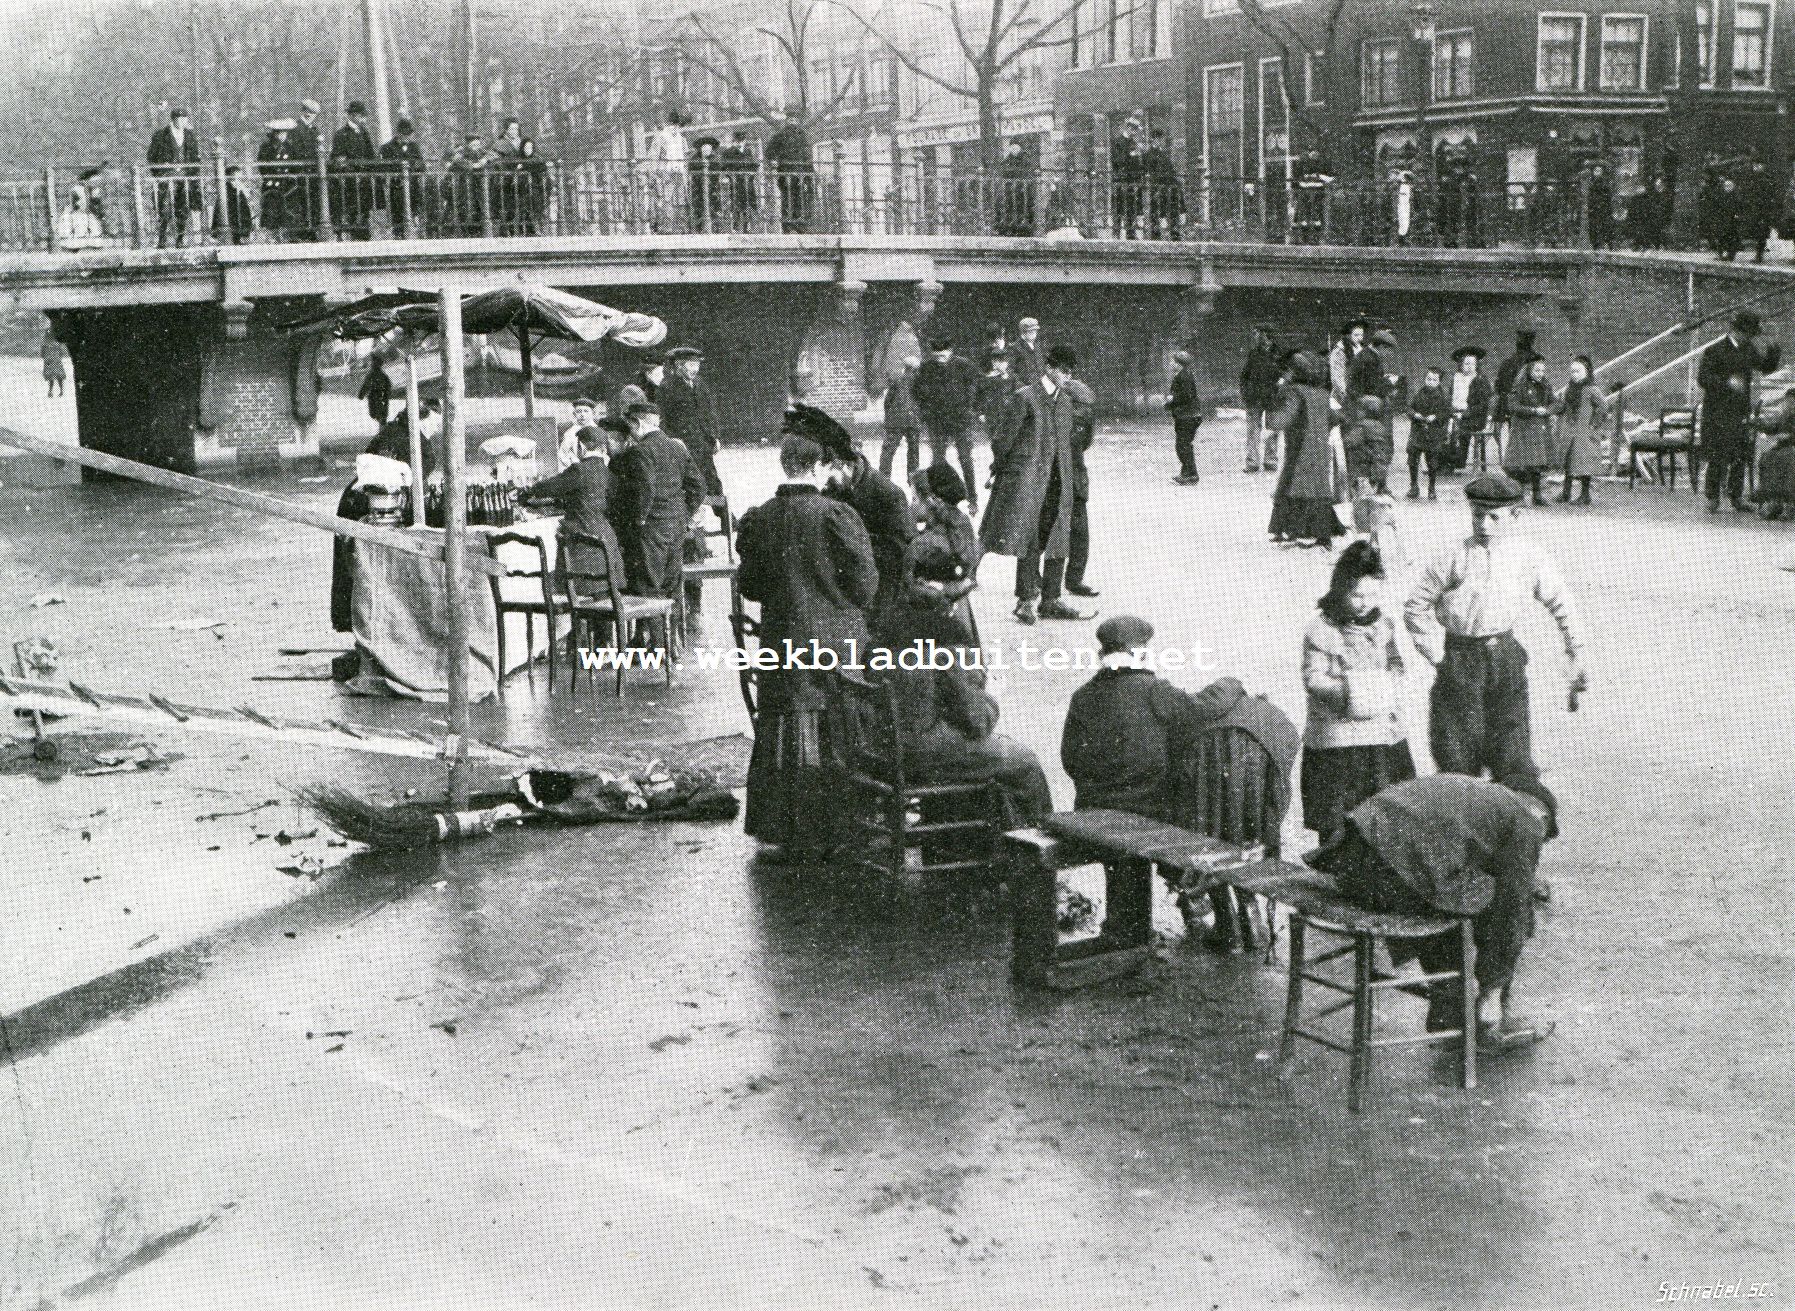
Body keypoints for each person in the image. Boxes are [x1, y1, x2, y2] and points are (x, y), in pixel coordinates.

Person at [1307, 771, 1561, 1050]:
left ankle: (1451, 1017)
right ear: (1543, 818)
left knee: (1459, 889)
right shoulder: (1526, 820)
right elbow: (1510, 909)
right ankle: (1481, 1018)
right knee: (1504, 902)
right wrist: (1495, 983)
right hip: (1390, 875)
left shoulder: (1475, 794)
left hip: (1351, 864)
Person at [738, 434, 880, 861]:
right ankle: (840, 824)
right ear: (818, 468)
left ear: (785, 466)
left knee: (785, 723)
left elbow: (752, 587)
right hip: (837, 642)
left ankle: (786, 829)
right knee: (838, 722)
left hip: (782, 639)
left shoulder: (760, 518)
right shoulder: (837, 514)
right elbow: (865, 585)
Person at [1404, 472, 1588, 782]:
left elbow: (1561, 602)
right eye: (1477, 516)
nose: (1484, 525)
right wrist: (1437, 655)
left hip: (1506, 657)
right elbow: (1415, 606)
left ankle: (1513, 812)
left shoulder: (1529, 557)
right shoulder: (1453, 556)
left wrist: (1577, 648)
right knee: (1458, 753)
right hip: (1459, 658)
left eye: (1494, 517)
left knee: (1512, 748)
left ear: (1515, 515)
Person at [871, 553, 1052, 829]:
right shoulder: (944, 636)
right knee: (1023, 762)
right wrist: (992, 697)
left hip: (878, 747)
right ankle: (1034, 858)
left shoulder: (888, 620)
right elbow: (975, 720)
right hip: (920, 753)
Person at [1060, 614, 1244, 823]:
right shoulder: (1153, 690)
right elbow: (1206, 706)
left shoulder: (1082, 695)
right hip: (1148, 810)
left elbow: (1070, 759)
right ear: (1141, 654)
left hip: (1091, 807)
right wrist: (1230, 683)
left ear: (1101, 653)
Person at [1300, 541, 1414, 844]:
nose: (1365, 603)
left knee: (1389, 819)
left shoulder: (1384, 625)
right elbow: (1314, 680)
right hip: (1339, 743)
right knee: (1339, 824)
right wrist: (1361, 692)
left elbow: (1396, 665)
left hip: (1382, 741)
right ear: (1340, 589)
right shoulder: (1321, 630)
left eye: (1373, 594)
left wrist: (1391, 681)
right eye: (1357, 595)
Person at [981, 344, 1091, 625]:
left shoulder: (1066, 402)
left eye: (1070, 372)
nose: (1067, 377)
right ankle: (1026, 600)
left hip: (1059, 480)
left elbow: (1072, 442)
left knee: (1058, 534)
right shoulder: (1026, 398)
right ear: (1049, 368)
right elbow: (1002, 441)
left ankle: (1051, 600)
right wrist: (1011, 469)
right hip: (1030, 481)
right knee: (1030, 537)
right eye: (1063, 371)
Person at [784, 403, 915, 622]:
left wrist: (854, 544)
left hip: (881, 596)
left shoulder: (888, 494)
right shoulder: (829, 492)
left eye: (827, 472)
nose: (823, 480)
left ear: (843, 465)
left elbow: (901, 553)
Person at [331, 401, 443, 632]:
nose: (437, 427)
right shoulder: (415, 442)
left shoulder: (392, 431)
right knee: (371, 565)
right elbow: (412, 487)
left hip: (358, 498)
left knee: (352, 565)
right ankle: (375, 625)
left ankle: (352, 620)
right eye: (435, 421)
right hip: (374, 505)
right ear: (421, 418)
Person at [608, 405, 706, 601]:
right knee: (671, 586)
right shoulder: (677, 447)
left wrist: (640, 519)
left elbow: (647, 488)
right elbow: (699, 486)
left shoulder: (641, 451)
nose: (631, 433)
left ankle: (651, 633)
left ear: (638, 423)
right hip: (677, 526)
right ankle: (673, 631)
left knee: (649, 587)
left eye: (630, 426)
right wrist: (685, 515)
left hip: (651, 528)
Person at [1698, 310, 1782, 513]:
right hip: (1717, 412)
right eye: (1748, 333)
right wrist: (1728, 382)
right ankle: (1712, 497)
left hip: (1739, 411)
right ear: (1738, 331)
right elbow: (1703, 379)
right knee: (1717, 456)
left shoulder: (1748, 349)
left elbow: (1766, 367)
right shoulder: (1714, 351)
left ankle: (1736, 497)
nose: (1750, 337)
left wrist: (1773, 348)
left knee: (1739, 454)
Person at [1266, 351, 1343, 550]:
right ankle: (1321, 533)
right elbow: (1334, 418)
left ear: (1295, 371)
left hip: (1300, 446)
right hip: (1320, 447)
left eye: (1288, 370)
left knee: (1295, 485)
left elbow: (1285, 418)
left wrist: (1271, 418)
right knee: (1317, 487)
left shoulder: (1294, 392)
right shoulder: (1322, 393)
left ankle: (1295, 530)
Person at [904, 462, 981, 632]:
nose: (911, 505)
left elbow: (908, 588)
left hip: (929, 624)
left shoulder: (922, 545)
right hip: (960, 618)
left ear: (931, 501)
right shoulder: (962, 525)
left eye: (915, 499)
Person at [517, 421, 618, 544]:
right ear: (603, 448)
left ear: (581, 446)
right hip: (606, 535)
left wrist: (528, 491)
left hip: (582, 535)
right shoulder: (609, 472)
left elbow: (549, 487)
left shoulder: (579, 469)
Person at [913, 338, 983, 512]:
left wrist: (970, 407)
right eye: (937, 357)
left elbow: (977, 386)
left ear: (950, 351)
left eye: (943, 356)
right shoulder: (926, 368)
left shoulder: (964, 365)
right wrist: (926, 412)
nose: (940, 360)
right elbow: (916, 391)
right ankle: (939, 499)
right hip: (937, 422)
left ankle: (972, 498)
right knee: (937, 460)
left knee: (966, 459)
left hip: (960, 420)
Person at [657, 346, 723, 497]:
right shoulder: (667, 387)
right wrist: (673, 443)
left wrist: (715, 437)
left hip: (704, 445)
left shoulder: (700, 384)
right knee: (689, 487)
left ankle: (727, 519)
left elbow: (710, 413)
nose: (696, 369)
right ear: (679, 365)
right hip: (683, 448)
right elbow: (663, 420)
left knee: (714, 484)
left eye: (697, 365)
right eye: (691, 365)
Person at [1503, 357, 1557, 506]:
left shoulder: (1545, 385)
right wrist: (1533, 410)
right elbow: (1513, 406)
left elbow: (1555, 403)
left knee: (1537, 464)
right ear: (1529, 370)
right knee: (1521, 464)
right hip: (1523, 428)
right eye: (1537, 370)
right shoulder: (1519, 386)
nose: (1540, 373)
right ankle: (1519, 497)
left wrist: (1547, 410)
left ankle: (1537, 495)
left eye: (1542, 370)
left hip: (1539, 430)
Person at [1555, 355, 1606, 506]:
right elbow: (1563, 406)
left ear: (1586, 372)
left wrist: (1594, 424)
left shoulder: (1592, 390)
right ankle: (1566, 492)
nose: (1574, 375)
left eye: (1578, 371)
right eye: (1572, 372)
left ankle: (1585, 495)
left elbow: (1603, 407)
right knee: (1569, 460)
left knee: (1584, 462)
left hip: (1585, 432)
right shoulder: (1569, 389)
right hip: (1570, 430)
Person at [147, 107, 200, 248]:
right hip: (167, 176)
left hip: (185, 177)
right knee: (165, 207)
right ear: (173, 119)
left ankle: (180, 239)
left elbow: (195, 157)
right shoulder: (160, 135)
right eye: (179, 119)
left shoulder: (190, 135)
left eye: (185, 119)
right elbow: (151, 157)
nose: (183, 121)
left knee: (184, 207)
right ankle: (162, 238)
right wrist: (160, 171)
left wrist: (193, 173)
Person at [330, 100, 378, 240]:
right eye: (361, 116)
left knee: (364, 211)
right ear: (352, 116)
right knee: (350, 210)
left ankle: (363, 236)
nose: (364, 119)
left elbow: (371, 155)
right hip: (348, 181)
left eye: (364, 116)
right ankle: (351, 235)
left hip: (364, 181)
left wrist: (371, 169)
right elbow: (337, 157)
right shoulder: (341, 134)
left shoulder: (364, 133)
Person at [1491, 327, 1540, 464]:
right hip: (1528, 403)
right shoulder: (1536, 361)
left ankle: (1512, 459)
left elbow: (1499, 386)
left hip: (1507, 404)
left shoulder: (1508, 362)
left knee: (1512, 433)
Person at [1239, 325, 1282, 473]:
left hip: (1273, 398)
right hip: (1254, 398)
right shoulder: (1253, 354)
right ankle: (1252, 462)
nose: (1255, 336)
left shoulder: (1279, 355)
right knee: (1252, 430)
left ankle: (1270, 461)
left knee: (1273, 429)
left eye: (1258, 333)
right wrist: (1245, 392)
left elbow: (1286, 376)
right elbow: (1244, 375)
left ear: (1266, 335)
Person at [764, 108, 814, 234]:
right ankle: (788, 224)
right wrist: (775, 160)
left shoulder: (802, 135)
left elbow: (807, 155)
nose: (793, 122)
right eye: (790, 120)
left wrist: (810, 172)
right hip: (786, 171)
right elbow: (769, 152)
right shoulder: (781, 135)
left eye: (794, 120)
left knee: (799, 197)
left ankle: (798, 224)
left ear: (797, 121)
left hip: (799, 172)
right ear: (787, 121)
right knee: (788, 197)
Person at [1445, 345, 1492, 473]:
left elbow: (1483, 405)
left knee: (1461, 430)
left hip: (1474, 416)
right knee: (1442, 426)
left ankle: (1458, 461)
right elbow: (1449, 398)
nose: (1469, 366)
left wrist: (1465, 414)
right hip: (1456, 414)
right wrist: (1451, 412)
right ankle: (1443, 463)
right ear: (1461, 364)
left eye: (1472, 363)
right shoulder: (1456, 378)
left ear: (1477, 365)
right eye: (1466, 363)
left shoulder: (1481, 380)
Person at [1407, 365, 1449, 499]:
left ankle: (1431, 487)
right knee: (1412, 458)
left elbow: (1446, 412)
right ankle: (1414, 485)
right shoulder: (1419, 393)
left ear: (1439, 382)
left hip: (1434, 432)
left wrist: (1435, 417)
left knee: (1432, 462)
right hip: (1418, 431)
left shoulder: (1443, 396)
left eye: (1434, 380)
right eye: (1428, 379)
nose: (1430, 382)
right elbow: (1409, 408)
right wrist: (1415, 415)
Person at [880, 355, 924, 483]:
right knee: (914, 451)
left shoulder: (896, 379)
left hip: (896, 420)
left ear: (905, 367)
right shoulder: (919, 382)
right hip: (913, 420)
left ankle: (884, 480)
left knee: (888, 452)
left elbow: (887, 401)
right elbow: (923, 401)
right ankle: (913, 480)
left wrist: (889, 414)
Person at [379, 117, 426, 236]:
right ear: (398, 133)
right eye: (405, 134)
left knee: (415, 213)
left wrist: (412, 166)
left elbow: (421, 165)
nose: (407, 137)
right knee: (398, 216)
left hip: (413, 187)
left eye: (409, 134)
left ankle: (417, 234)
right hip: (396, 187)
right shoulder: (387, 148)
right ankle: (398, 236)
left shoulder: (414, 146)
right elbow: (386, 167)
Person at [1752, 391, 1795, 520]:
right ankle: (1774, 500)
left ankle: (1789, 503)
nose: (1790, 404)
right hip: (1784, 447)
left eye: (1793, 402)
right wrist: (1759, 423)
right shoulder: (1785, 416)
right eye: (1788, 401)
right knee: (1768, 457)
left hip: (1791, 448)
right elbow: (1772, 428)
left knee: (1786, 458)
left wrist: (1790, 436)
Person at [257, 120, 301, 239]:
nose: (282, 136)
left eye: (284, 133)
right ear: (275, 133)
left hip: (288, 184)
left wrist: (293, 175)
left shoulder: (290, 146)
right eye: (279, 133)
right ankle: (272, 236)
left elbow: (296, 164)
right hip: (272, 183)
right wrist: (269, 178)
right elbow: (262, 165)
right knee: (271, 209)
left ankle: (288, 235)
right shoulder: (266, 146)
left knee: (289, 210)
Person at [1344, 394, 1393, 494]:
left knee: (1362, 497)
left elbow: (1349, 442)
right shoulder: (1380, 426)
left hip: (1363, 469)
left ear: (1365, 411)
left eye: (1360, 410)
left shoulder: (1362, 427)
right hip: (1378, 467)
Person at [1167, 350, 1203, 485]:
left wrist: (1172, 399)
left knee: (1182, 445)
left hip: (1187, 416)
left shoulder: (1184, 376)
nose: (1171, 363)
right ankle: (1189, 473)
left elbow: (1187, 396)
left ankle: (1189, 474)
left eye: (1173, 361)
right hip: (1188, 415)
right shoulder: (1183, 375)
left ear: (1179, 364)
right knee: (1184, 445)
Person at [1142, 127, 1181, 240]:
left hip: (1168, 187)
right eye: (1159, 139)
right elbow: (1148, 172)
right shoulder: (1148, 155)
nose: (1161, 141)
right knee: (1155, 212)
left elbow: (1170, 170)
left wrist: (1176, 183)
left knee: (1173, 209)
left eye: (1162, 139)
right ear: (1154, 139)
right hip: (1156, 188)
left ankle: (1175, 235)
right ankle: (1156, 236)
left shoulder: (1164, 154)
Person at [995, 139, 1036, 237]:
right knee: (1009, 210)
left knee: (1024, 211)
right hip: (1010, 192)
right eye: (1012, 147)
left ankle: (1025, 229)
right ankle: (1008, 228)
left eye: (1016, 147)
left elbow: (1029, 174)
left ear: (1020, 148)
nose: (1014, 150)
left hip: (1023, 192)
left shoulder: (1026, 159)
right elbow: (1002, 172)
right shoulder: (1006, 160)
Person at [1742, 160, 1779, 264]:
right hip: (1757, 210)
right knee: (1758, 233)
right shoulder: (1754, 178)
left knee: (1761, 233)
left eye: (1757, 165)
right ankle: (1758, 255)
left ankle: (1759, 255)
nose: (1755, 167)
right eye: (1754, 165)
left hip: (1763, 211)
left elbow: (1768, 196)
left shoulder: (1765, 179)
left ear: (1762, 166)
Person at [720, 130, 759, 230]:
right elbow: (724, 167)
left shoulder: (748, 151)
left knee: (748, 203)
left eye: (742, 141)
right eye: (738, 141)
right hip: (736, 182)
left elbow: (754, 165)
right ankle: (736, 225)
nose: (740, 143)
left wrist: (751, 174)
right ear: (735, 141)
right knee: (736, 202)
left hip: (748, 182)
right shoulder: (728, 152)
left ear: (744, 141)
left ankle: (747, 226)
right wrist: (730, 176)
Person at [1703, 175, 1743, 261]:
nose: (1727, 188)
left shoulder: (1736, 197)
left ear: (1733, 187)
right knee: (1721, 237)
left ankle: (1730, 255)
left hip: (1732, 220)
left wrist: (1737, 216)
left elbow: (1739, 208)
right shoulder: (1721, 196)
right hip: (1723, 220)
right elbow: (1717, 207)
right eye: (1726, 186)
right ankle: (1720, 254)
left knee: (1732, 238)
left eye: (1729, 186)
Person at [212, 166, 255, 245]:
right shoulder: (229, 192)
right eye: (236, 179)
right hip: (234, 229)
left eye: (240, 179)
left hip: (238, 229)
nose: (239, 182)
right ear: (229, 179)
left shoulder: (236, 191)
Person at [689, 136, 723, 231]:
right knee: (698, 208)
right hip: (698, 188)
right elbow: (692, 170)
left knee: (714, 208)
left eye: (709, 148)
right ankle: (697, 228)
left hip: (713, 188)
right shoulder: (695, 158)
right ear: (701, 149)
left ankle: (716, 228)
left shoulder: (715, 159)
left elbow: (717, 170)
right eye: (704, 148)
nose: (706, 150)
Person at [1629, 175, 1672, 251]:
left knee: (1653, 230)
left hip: (1654, 217)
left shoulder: (1663, 195)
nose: (1660, 187)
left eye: (1661, 185)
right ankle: (1643, 245)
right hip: (1649, 217)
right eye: (1658, 185)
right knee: (1647, 230)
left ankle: (1651, 245)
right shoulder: (1650, 195)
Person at [558, 397, 600, 471]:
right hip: (575, 469)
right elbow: (563, 454)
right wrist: (573, 465)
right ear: (574, 414)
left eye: (586, 411)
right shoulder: (570, 433)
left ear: (593, 413)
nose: (582, 415)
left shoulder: (599, 431)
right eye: (579, 411)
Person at [1008, 317, 1046, 386]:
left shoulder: (1038, 346)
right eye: (1031, 331)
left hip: (1041, 386)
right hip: (1025, 388)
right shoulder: (1015, 348)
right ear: (1023, 332)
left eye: (1035, 331)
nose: (1034, 333)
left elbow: (1042, 367)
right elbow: (1010, 370)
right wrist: (1021, 385)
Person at [1586, 164, 1616, 250]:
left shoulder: (1604, 183)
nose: (1597, 173)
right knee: (1594, 226)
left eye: (1599, 171)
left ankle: (1608, 243)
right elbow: (1590, 197)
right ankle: (1596, 244)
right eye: (1595, 171)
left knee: (1605, 226)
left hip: (1603, 208)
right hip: (1594, 208)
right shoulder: (1592, 182)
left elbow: (1607, 196)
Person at [41, 329, 67, 398]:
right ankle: (61, 391)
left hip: (49, 360)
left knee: (51, 376)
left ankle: (50, 391)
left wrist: (46, 358)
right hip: (57, 360)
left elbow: (42, 354)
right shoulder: (57, 342)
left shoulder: (45, 342)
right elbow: (61, 352)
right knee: (59, 376)